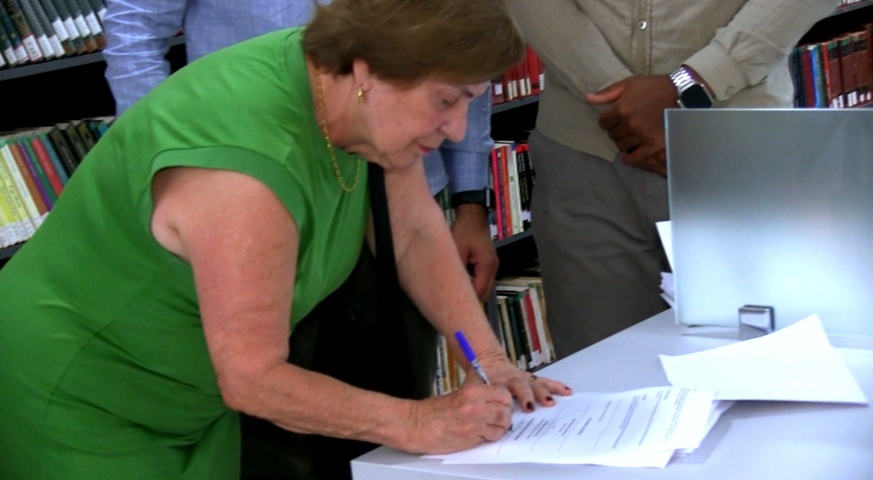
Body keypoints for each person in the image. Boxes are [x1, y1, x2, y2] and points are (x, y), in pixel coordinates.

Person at [0, 1, 573, 479]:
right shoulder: (244, 169)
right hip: (85, 396)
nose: (456, 127)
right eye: (446, 100)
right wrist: (418, 422)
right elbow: (254, 377)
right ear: (367, 73)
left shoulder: (354, 99)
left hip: (191, 398)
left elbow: (416, 233)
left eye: (471, 99)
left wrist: (490, 360)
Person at [102, 0, 500, 303]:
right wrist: (170, 158)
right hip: (256, 186)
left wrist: (470, 201)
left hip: (405, 183)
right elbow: (134, 32)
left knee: (405, 365)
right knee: (275, 362)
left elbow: (464, 56)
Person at [505, 0, 840, 358]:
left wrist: (697, 80)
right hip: (585, 154)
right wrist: (623, 103)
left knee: (757, 364)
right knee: (602, 369)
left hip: (739, 146)